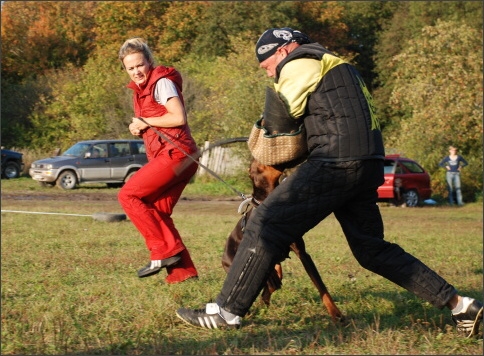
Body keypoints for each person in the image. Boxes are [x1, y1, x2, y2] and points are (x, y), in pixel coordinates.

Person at [175, 28, 483, 336]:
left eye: (267, 65)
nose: (269, 74)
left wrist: (262, 131)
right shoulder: (339, 65)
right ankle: (460, 305)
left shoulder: (298, 63)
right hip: (369, 163)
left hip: (336, 162)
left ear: (282, 51)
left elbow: (282, 123)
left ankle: (226, 311)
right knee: (371, 249)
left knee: (265, 221)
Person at [117, 38, 199, 284]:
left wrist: (147, 122)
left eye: (140, 65)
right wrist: (139, 126)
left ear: (149, 62)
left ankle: (161, 253)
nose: (136, 71)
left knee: (128, 195)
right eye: (131, 68)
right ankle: (183, 275)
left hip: (176, 154)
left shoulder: (161, 82)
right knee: (157, 212)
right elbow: (152, 121)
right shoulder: (140, 91)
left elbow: (177, 117)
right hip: (177, 156)